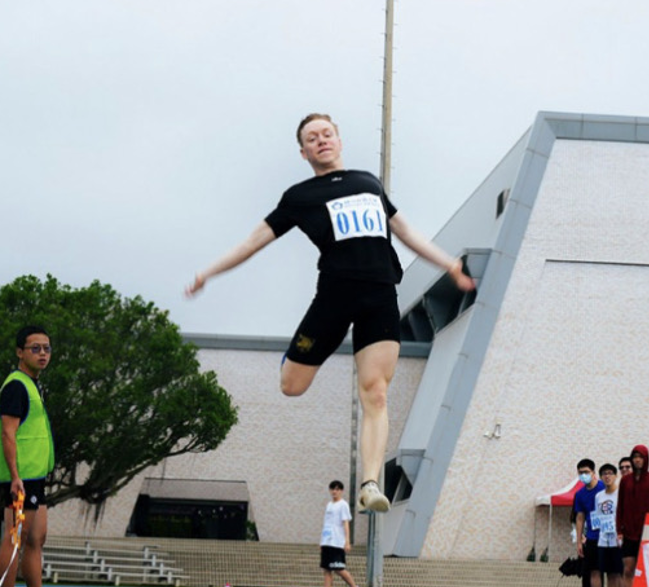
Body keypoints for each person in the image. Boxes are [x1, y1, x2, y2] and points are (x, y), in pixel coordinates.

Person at [186, 114, 475, 513]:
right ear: (304, 151)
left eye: (327, 134)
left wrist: (449, 265)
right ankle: (295, 356)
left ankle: (370, 484)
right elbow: (254, 242)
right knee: (292, 385)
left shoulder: (368, 183)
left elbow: (406, 231)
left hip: (380, 296)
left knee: (376, 392)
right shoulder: (299, 197)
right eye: (312, 138)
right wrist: (208, 272)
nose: (321, 140)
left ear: (339, 140)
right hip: (334, 298)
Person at [0, 326, 72, 587]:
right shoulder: (15, 386)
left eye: (47, 348)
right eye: (35, 348)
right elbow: (8, 433)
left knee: (37, 537)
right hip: (20, 478)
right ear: (20, 351)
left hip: (36, 476)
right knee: (15, 538)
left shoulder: (32, 385)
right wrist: (15, 477)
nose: (42, 354)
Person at [616, 444, 649, 587]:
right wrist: (619, 530)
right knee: (628, 569)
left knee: (645, 571)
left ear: (646, 459)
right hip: (628, 532)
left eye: (640, 457)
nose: (637, 460)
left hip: (647, 533)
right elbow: (620, 506)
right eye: (635, 457)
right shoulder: (625, 481)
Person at [313, 480, 363, 587]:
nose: (334, 492)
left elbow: (345, 523)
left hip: (337, 541)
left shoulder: (343, 505)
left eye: (337, 489)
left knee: (339, 568)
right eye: (332, 489)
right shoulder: (329, 505)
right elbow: (326, 524)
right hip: (327, 541)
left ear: (341, 491)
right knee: (326, 569)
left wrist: (347, 541)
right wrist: (322, 541)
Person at [573, 459, 604, 587]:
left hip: (609, 536)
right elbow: (580, 517)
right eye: (580, 473)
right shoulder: (580, 494)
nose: (583, 475)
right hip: (592, 537)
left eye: (586, 472)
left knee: (614, 571)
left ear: (593, 472)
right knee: (594, 570)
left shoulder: (604, 488)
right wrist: (579, 540)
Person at [594, 463, 622, 587]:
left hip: (619, 538)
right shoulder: (599, 496)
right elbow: (597, 517)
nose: (607, 476)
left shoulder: (621, 494)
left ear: (615, 476)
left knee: (621, 572)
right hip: (604, 538)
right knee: (609, 573)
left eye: (610, 473)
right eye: (604, 474)